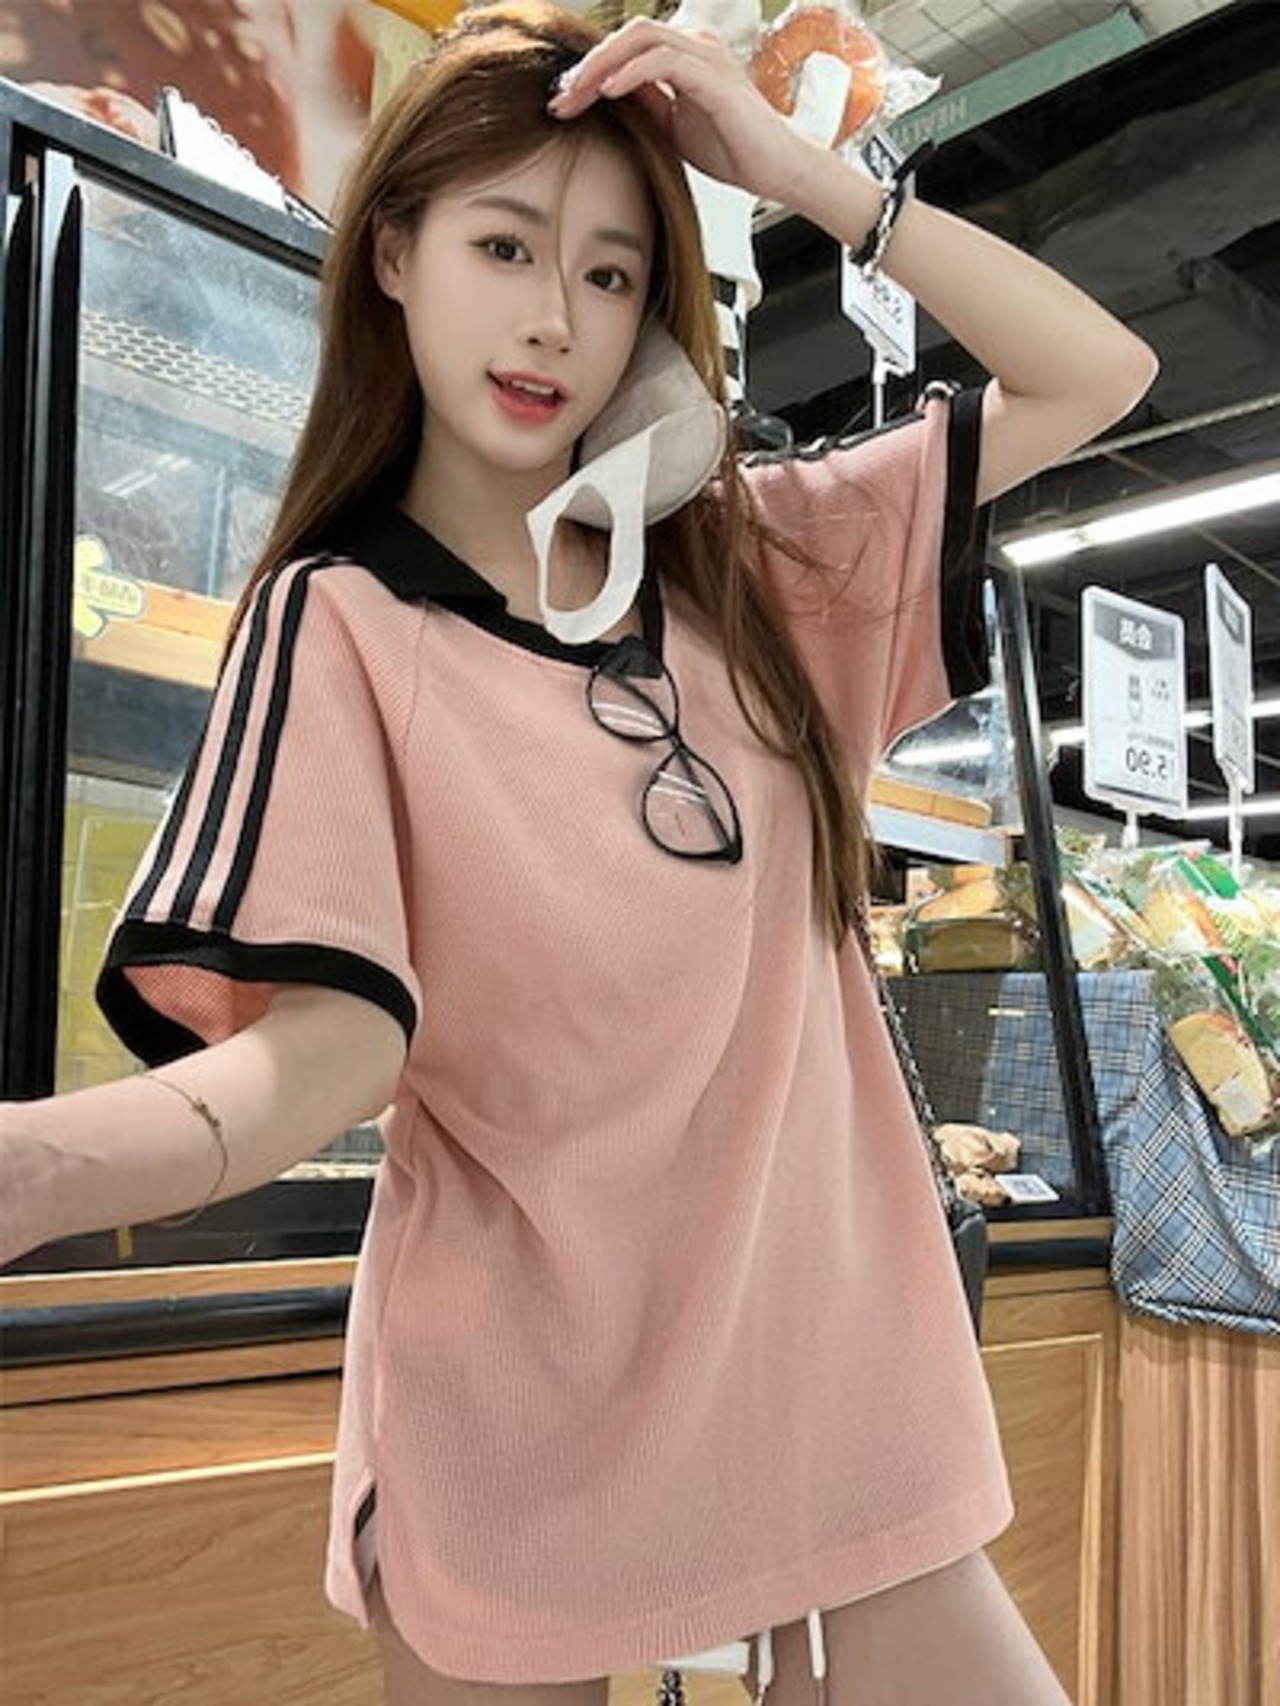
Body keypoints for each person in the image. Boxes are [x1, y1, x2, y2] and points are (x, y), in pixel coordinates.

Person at [0, 4, 1157, 1701]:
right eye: (504, 245)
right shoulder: (343, 623)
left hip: (831, 1389)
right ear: (393, 254)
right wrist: (37, 1165)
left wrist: (801, 175)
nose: (555, 316)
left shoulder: (759, 571)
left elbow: (1096, 375)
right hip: (516, 1434)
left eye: (613, 273)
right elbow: (327, 1048)